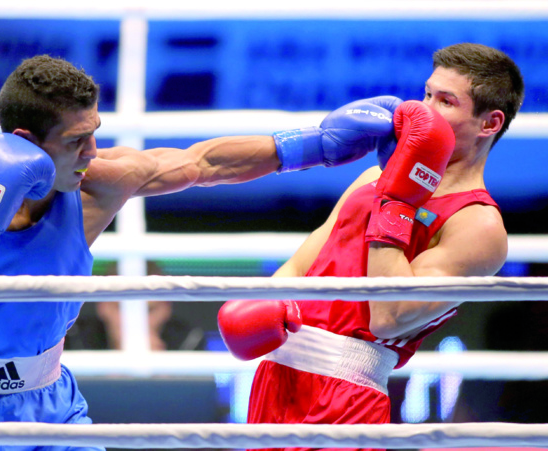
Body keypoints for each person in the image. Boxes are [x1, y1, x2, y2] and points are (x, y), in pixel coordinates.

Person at [0, 54, 404, 451]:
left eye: (94, 133)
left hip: (44, 403)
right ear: (28, 142)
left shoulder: (96, 185)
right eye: (77, 140)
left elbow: (202, 164)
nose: (92, 152)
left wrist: (322, 144)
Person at [217, 42, 525, 451]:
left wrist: (398, 203)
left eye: (446, 102)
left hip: (347, 398)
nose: (426, 111)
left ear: (489, 123)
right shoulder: (371, 179)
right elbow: (300, 265)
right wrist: (262, 308)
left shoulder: (477, 224)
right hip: (276, 378)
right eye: (427, 94)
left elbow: (388, 315)